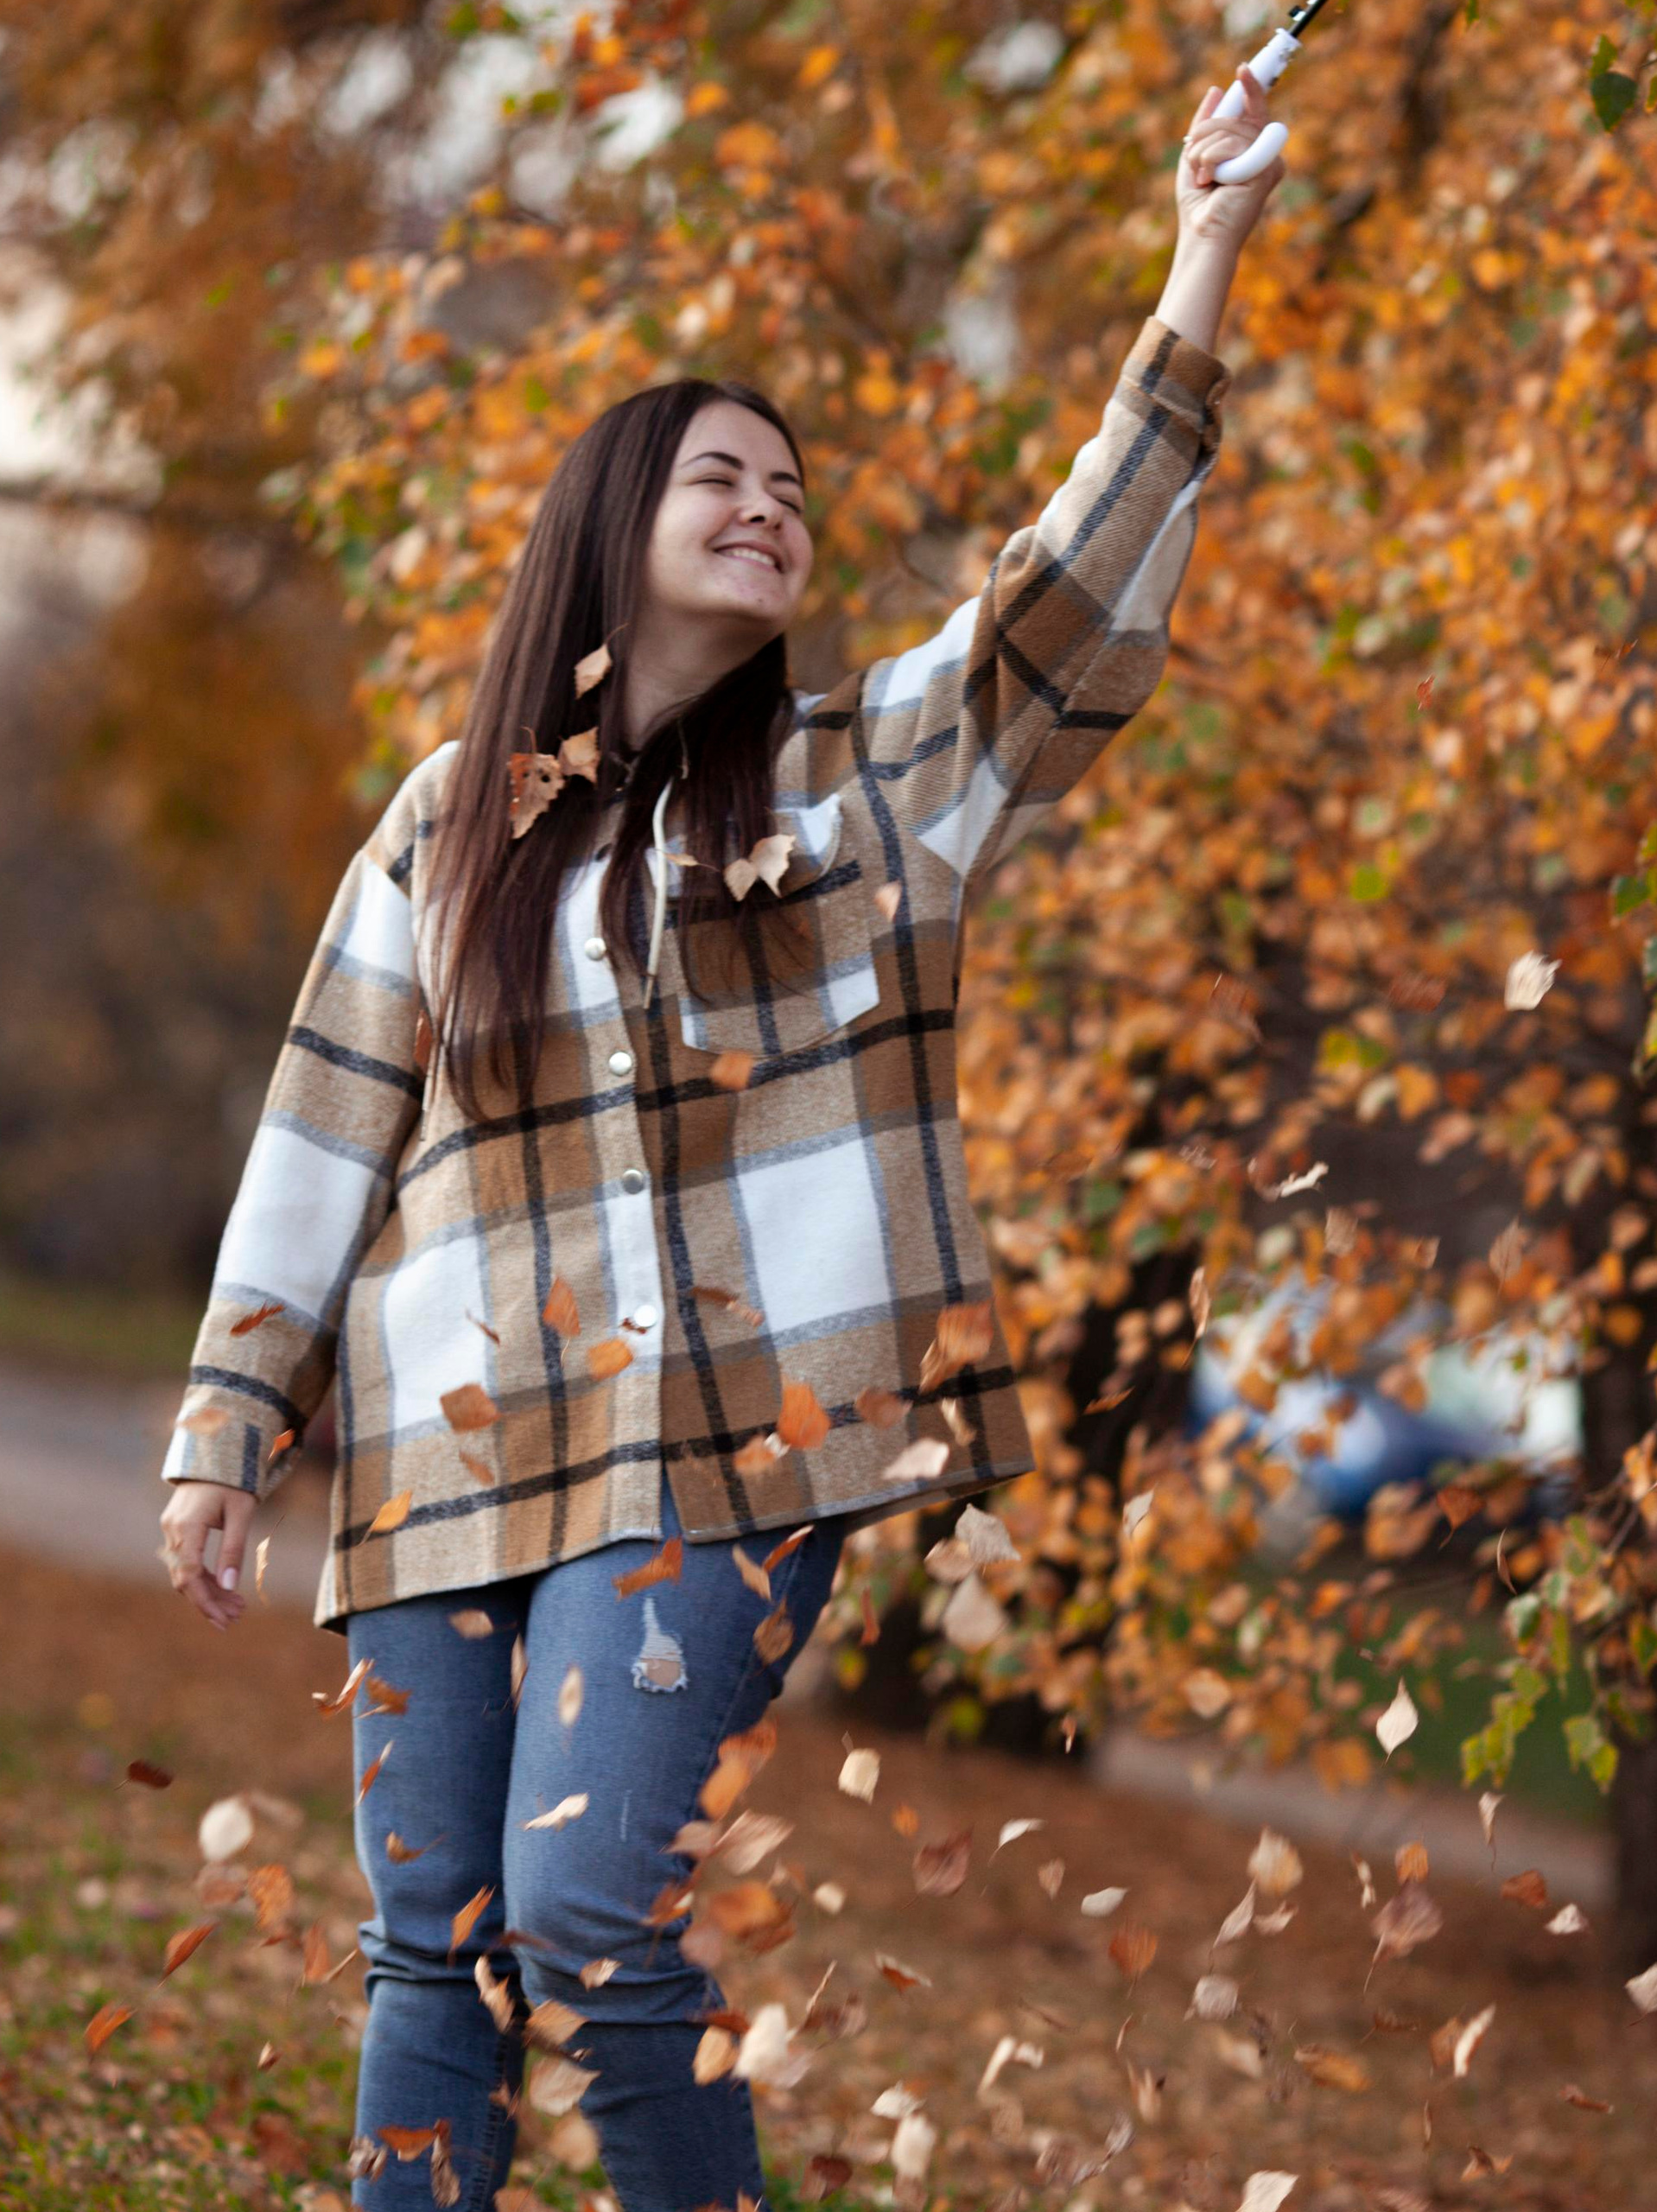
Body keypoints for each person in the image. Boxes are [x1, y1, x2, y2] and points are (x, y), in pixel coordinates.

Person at [155, 66, 1281, 2212]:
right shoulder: (443, 821)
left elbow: (1073, 596)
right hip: (449, 1449)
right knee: (435, 1945)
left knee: (590, 1915)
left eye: (790, 485)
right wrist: (232, 1416)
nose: (774, 506)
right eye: (723, 476)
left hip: (732, 1452)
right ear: (611, 517)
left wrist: (1197, 259)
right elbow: (328, 1117)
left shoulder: (875, 784)